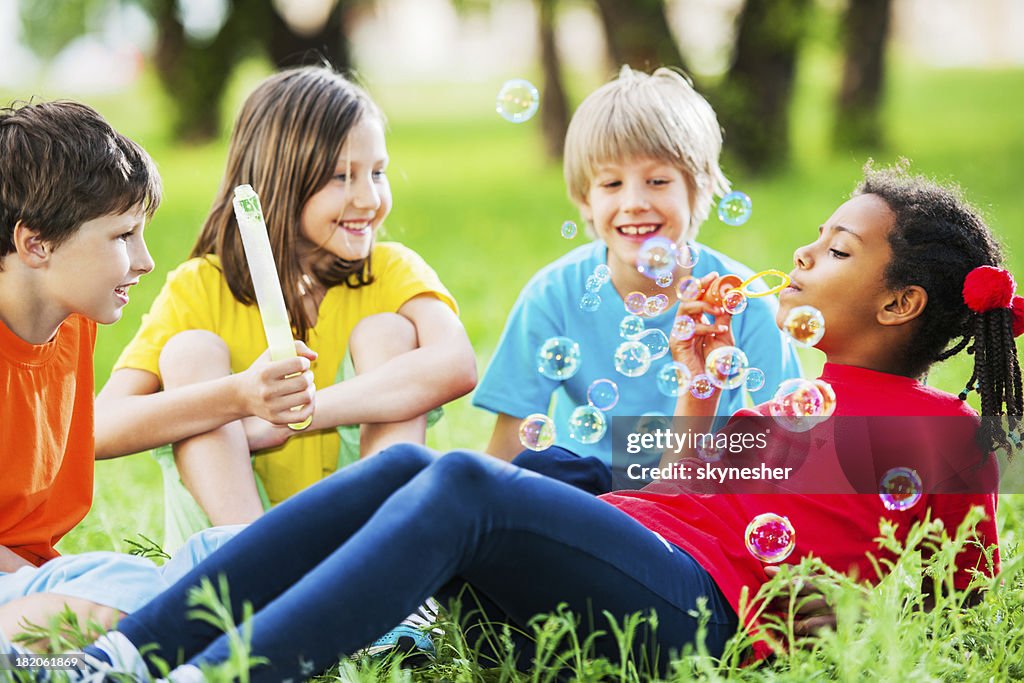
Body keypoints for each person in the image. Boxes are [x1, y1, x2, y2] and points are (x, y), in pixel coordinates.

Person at [34, 165, 1015, 682]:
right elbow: (658, 474)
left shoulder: (939, 433)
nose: (803, 251)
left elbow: (955, 597)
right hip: (633, 563)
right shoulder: (789, 402)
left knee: (461, 483)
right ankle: (119, 656)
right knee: (414, 477)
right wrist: (694, 387)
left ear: (899, 305)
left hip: (694, 612)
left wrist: (841, 621)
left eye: (838, 247)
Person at [94, 66, 477, 544]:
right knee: (189, 352)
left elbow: (456, 363)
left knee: (387, 333)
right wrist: (233, 401)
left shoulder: (391, 270)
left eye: (377, 172)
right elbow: (98, 428)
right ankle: (253, 564)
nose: (368, 197)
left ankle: (387, 560)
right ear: (281, 180)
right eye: (342, 177)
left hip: (357, 536)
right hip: (229, 543)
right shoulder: (201, 286)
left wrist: (297, 413)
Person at [473, 66, 800, 494]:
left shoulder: (739, 299)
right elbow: (508, 455)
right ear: (584, 200)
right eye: (611, 183)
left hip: (699, 494)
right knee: (544, 466)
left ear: (697, 190)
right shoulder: (553, 295)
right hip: (589, 496)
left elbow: (795, 443)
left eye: (657, 180)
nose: (634, 202)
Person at [0, 100, 241, 642]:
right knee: (120, 595)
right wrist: (52, 586)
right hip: (26, 589)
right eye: (122, 236)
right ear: (35, 243)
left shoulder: (73, 324)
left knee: (227, 552)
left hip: (40, 580)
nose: (146, 260)